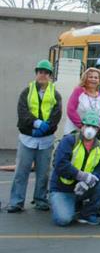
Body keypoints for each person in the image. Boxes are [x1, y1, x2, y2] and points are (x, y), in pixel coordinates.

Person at [8, 60, 63, 213]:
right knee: (21, 172)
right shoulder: (26, 92)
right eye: (40, 72)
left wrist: (45, 129)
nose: (42, 75)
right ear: (36, 73)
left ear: (50, 76)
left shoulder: (55, 94)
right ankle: (16, 201)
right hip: (27, 138)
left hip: (45, 140)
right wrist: (36, 124)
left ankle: (40, 199)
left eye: (46, 72)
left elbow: (56, 115)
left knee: (43, 173)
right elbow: (22, 112)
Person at [49, 111, 100, 226]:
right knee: (63, 220)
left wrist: (88, 182)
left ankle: (86, 214)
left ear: (98, 130)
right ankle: (60, 201)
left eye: (94, 127)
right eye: (88, 125)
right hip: (62, 189)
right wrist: (82, 176)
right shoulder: (69, 141)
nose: (90, 129)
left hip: (83, 188)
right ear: (82, 126)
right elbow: (60, 164)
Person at [64, 67, 100, 135]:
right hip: (74, 132)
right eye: (90, 77)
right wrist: (82, 126)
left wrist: (96, 127)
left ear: (99, 80)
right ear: (85, 79)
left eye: (96, 77)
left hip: (91, 134)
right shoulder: (78, 91)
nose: (93, 79)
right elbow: (70, 110)